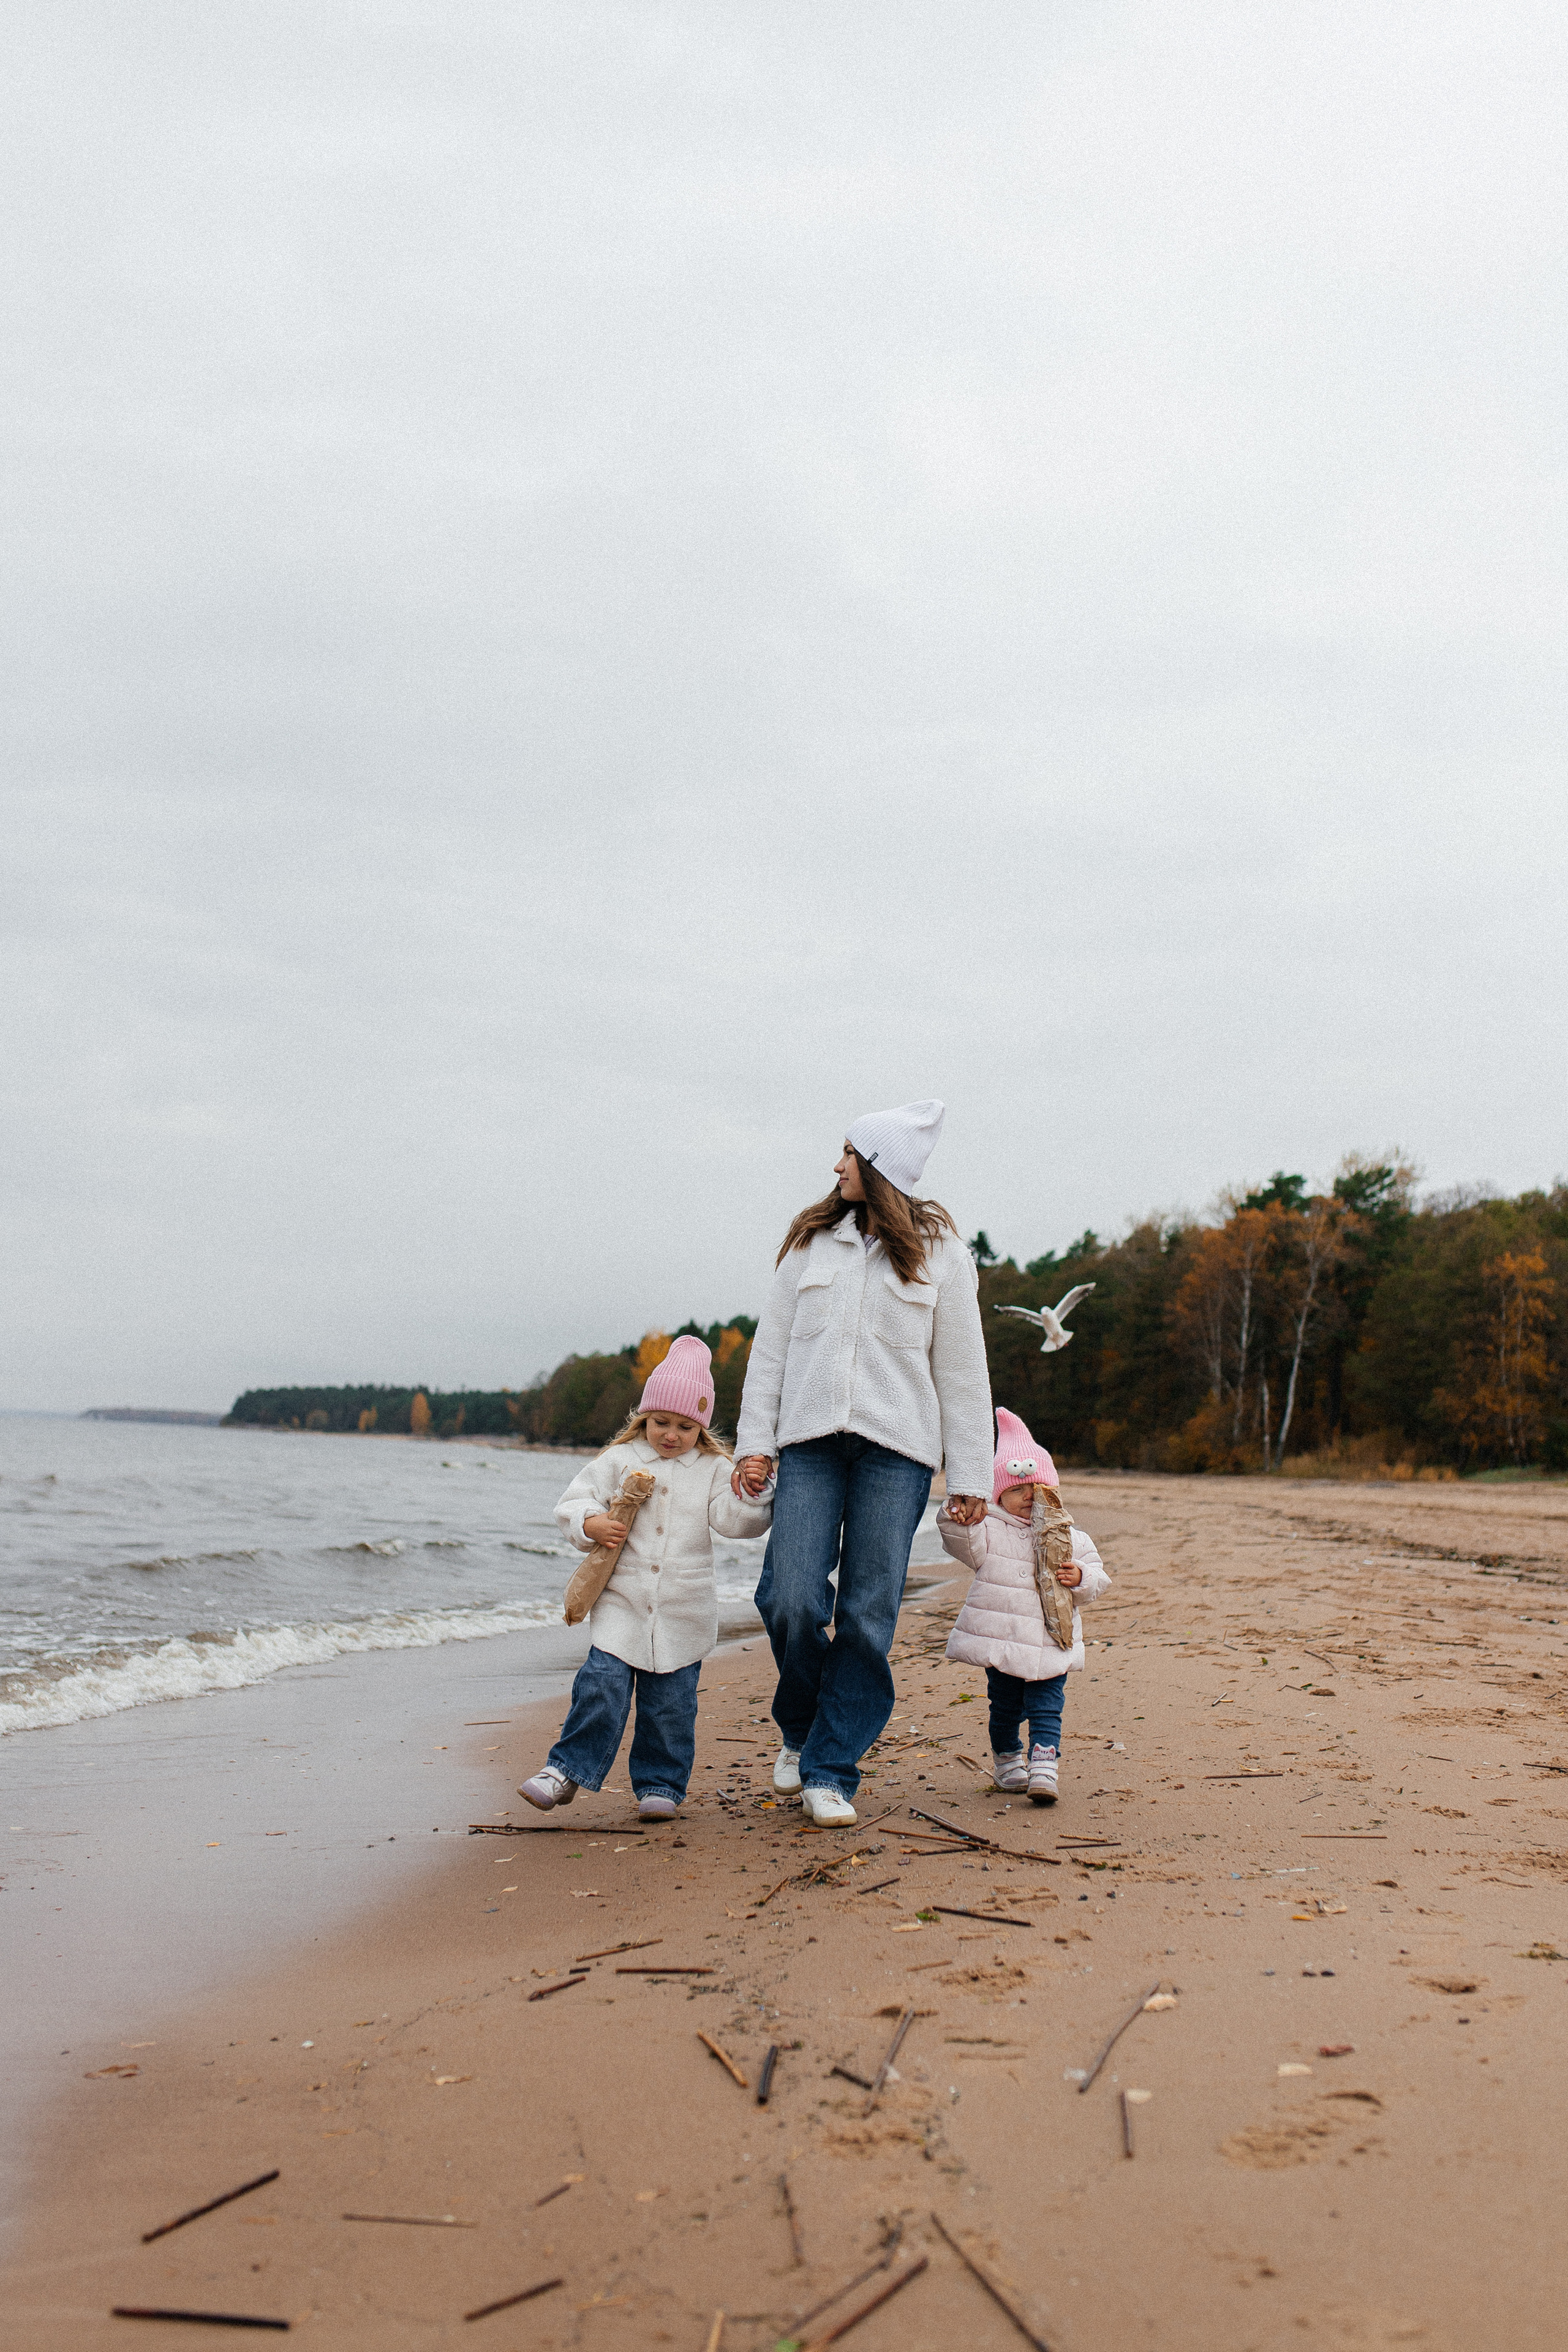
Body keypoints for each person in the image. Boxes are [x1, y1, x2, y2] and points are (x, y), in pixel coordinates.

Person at [733, 1099, 993, 1827]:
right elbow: (771, 1355)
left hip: (898, 1453)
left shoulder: (944, 1253)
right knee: (788, 1599)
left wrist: (971, 1475)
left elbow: (963, 1372)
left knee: (866, 1618)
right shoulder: (811, 1243)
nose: (836, 1164)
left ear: (879, 1169)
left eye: (849, 1153)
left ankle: (830, 1768)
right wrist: (755, 1442)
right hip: (809, 1443)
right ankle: (804, 1726)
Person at [519, 1336, 774, 1822]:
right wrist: (591, 1523)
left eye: (685, 1426)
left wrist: (754, 1494)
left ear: (701, 1425)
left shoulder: (714, 1469)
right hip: (622, 1603)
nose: (672, 1435)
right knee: (601, 1685)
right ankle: (567, 1769)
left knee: (671, 1707)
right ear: (644, 1416)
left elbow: (735, 1522)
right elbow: (573, 1501)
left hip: (684, 1610)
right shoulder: (621, 1460)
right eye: (661, 1422)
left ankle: (661, 1783)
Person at [938, 1406, 1109, 1803]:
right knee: (1006, 1707)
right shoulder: (990, 1531)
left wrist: (1081, 1579)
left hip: (1052, 1640)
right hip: (1006, 1641)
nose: (1030, 1498)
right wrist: (955, 1517)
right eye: (1018, 1490)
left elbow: (1097, 1578)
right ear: (998, 1495)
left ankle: (1045, 1765)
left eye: (1039, 1490)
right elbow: (962, 1544)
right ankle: (1007, 1758)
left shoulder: (1070, 1536)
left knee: (1048, 1704)